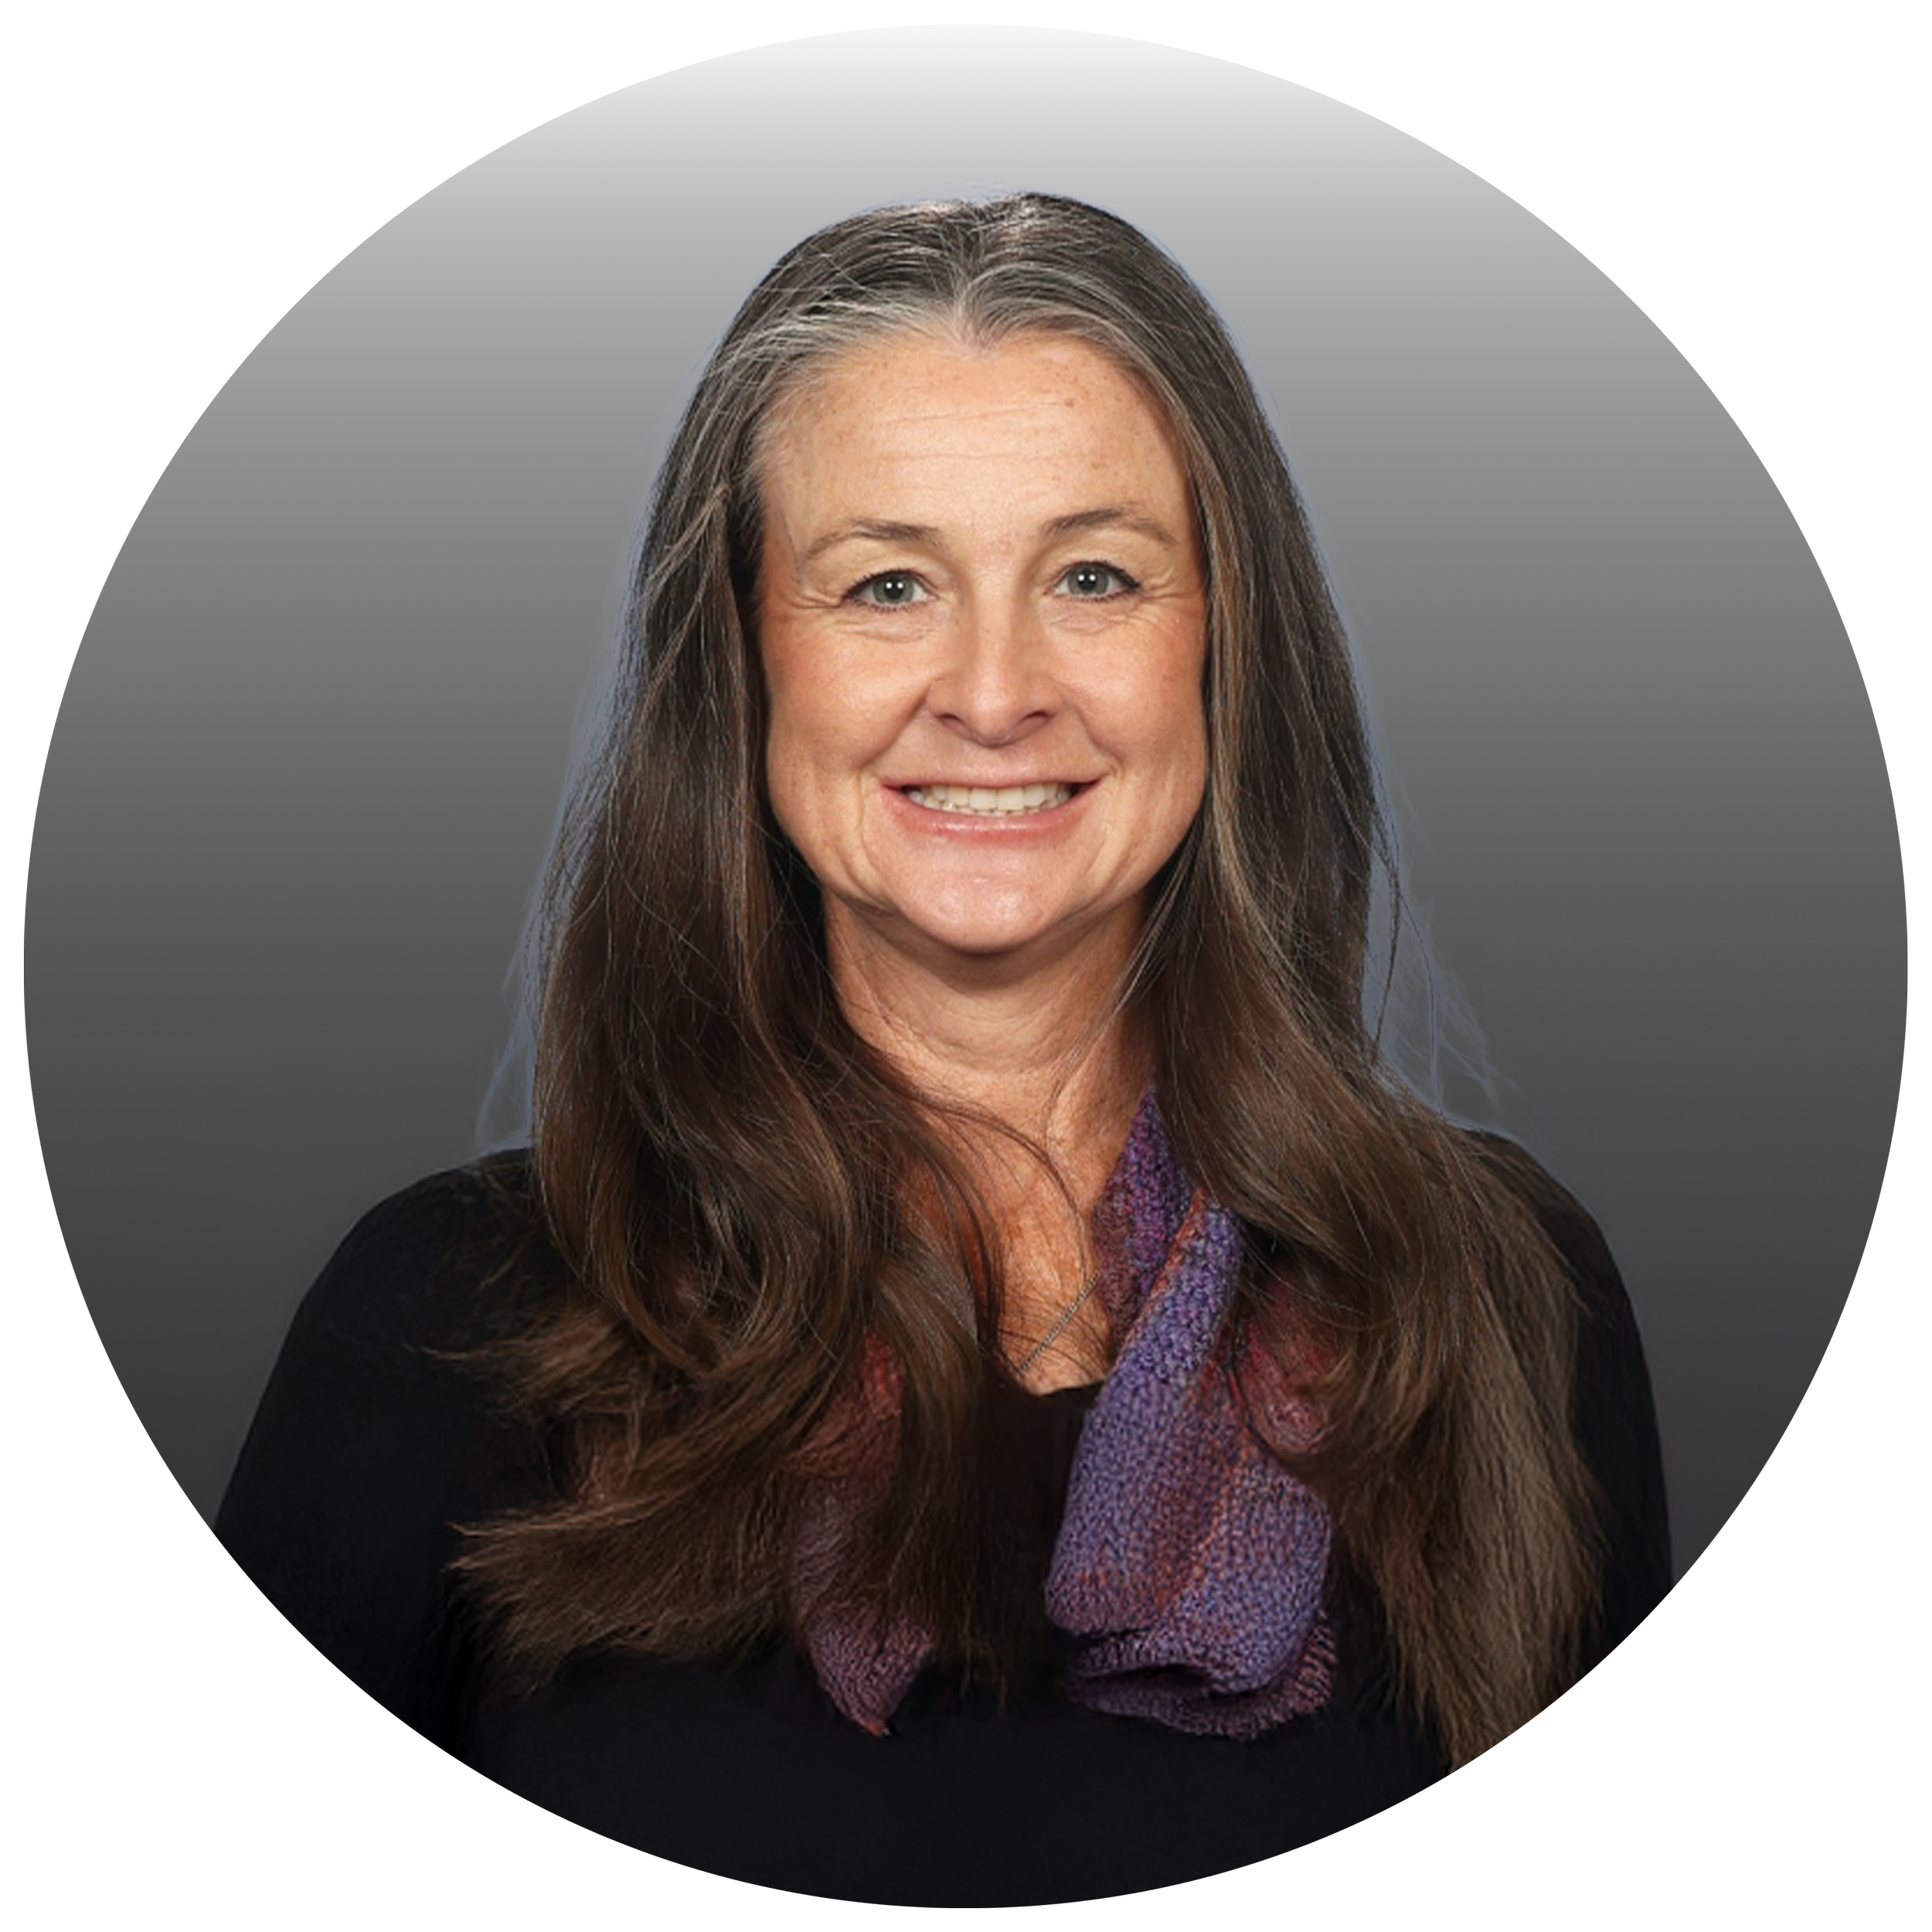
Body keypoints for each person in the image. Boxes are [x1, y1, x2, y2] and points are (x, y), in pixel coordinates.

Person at [214, 192, 1671, 1912]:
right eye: (886, 582)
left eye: (1093, 575)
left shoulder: (1495, 1299)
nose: (992, 688)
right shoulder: (447, 1328)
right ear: (744, 664)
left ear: (1223, 647)